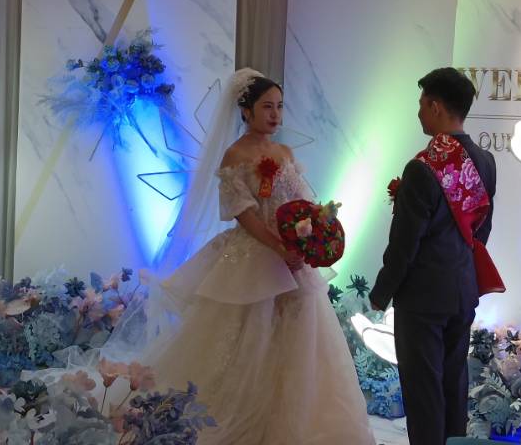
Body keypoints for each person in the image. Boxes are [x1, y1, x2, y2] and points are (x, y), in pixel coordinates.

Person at [144, 68, 375, 444]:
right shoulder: (234, 155)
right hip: (255, 255)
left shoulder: (285, 153)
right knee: (248, 337)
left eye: (279, 106)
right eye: (267, 107)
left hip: (292, 258)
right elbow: (244, 213)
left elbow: (302, 202)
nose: (275, 114)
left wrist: (308, 238)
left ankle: (297, 420)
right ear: (246, 110)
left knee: (299, 338)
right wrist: (279, 247)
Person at [369, 67, 497, 445]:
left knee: (423, 392)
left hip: (422, 298)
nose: (419, 112)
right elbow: (480, 231)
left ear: (436, 106)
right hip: (462, 290)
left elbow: (404, 243)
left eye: (422, 104)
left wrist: (381, 292)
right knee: (454, 384)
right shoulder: (486, 160)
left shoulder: (422, 168)